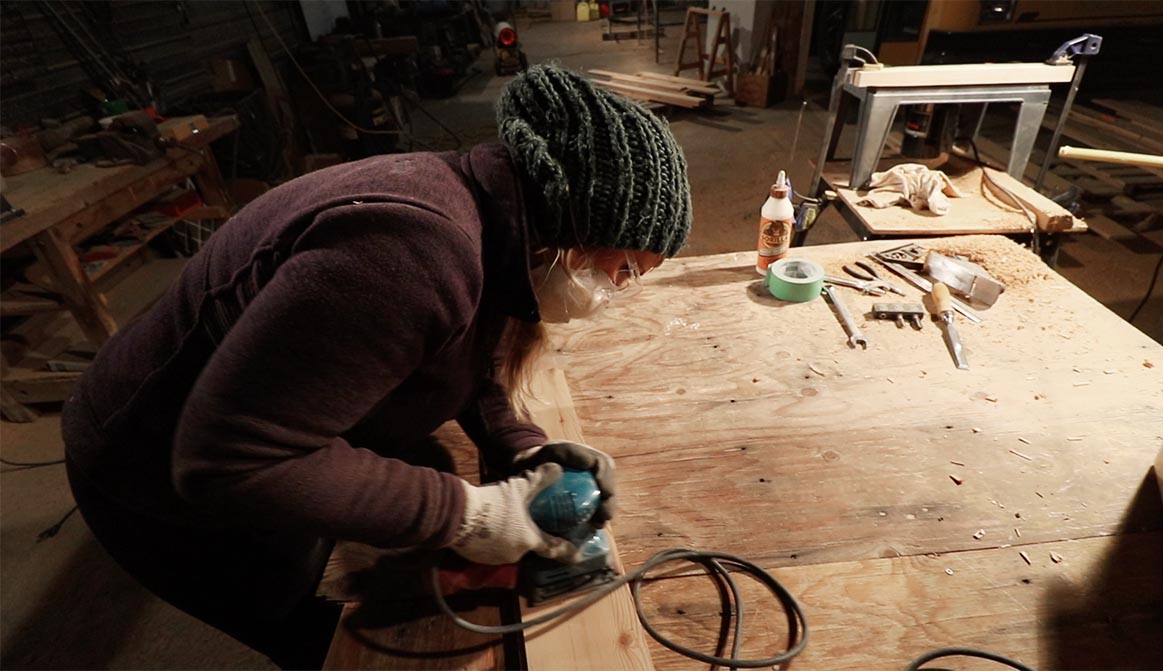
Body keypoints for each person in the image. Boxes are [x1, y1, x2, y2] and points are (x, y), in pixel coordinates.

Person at [61, 64, 692, 669]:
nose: (620, 289)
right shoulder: (410, 248)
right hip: (152, 472)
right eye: (625, 269)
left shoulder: (496, 218)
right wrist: (469, 515)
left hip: (258, 422)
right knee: (310, 624)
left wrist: (525, 448)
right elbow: (232, 460)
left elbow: (472, 350)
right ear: (570, 228)